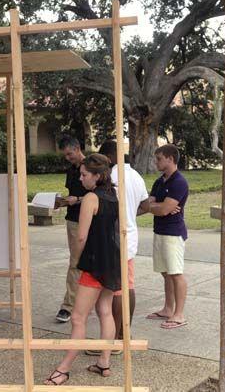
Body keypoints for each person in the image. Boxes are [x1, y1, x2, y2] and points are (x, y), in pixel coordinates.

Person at [44, 153, 121, 386]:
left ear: (97, 176)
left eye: (84, 174)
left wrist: (77, 261)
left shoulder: (91, 198)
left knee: (78, 317)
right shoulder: (113, 195)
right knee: (105, 311)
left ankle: (64, 369)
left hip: (94, 263)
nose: (81, 177)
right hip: (111, 260)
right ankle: (104, 362)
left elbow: (81, 236)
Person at [86, 140, 150, 356]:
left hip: (112, 239)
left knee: (112, 291)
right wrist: (130, 215)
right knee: (127, 286)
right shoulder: (136, 176)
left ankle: (112, 340)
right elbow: (146, 205)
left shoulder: (110, 178)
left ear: (109, 158)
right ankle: (123, 334)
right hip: (130, 237)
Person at [146, 144, 190, 330]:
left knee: (175, 273)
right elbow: (148, 206)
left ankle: (179, 314)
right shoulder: (159, 182)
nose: (156, 162)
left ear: (170, 159)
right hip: (160, 232)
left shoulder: (179, 182)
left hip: (173, 233)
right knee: (166, 273)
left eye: (159, 159)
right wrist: (159, 207)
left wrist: (160, 207)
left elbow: (163, 209)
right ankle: (168, 308)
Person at [55, 135, 88, 323]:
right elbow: (72, 195)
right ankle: (69, 305)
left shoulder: (93, 165)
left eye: (69, 154)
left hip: (92, 221)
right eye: (65, 155)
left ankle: (83, 303)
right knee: (76, 263)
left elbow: (100, 195)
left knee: (91, 263)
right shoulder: (71, 170)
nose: (68, 158)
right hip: (74, 221)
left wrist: (79, 200)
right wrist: (62, 201)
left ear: (77, 148)